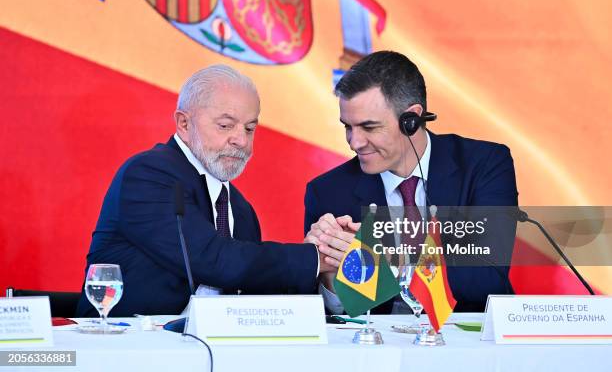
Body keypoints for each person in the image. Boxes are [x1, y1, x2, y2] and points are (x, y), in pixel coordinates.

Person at [77, 65, 341, 317]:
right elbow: (215, 260)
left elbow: (258, 292)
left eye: (250, 128)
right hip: (132, 349)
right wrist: (313, 258)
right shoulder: (148, 175)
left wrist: (328, 267)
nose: (241, 140)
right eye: (225, 125)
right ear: (184, 124)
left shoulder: (240, 209)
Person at [304, 51, 518, 313]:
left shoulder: (484, 165)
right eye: (348, 126)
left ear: (412, 120)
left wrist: (383, 263)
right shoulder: (327, 192)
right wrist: (331, 274)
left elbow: (486, 277)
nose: (354, 142)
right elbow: (335, 315)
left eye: (369, 127)